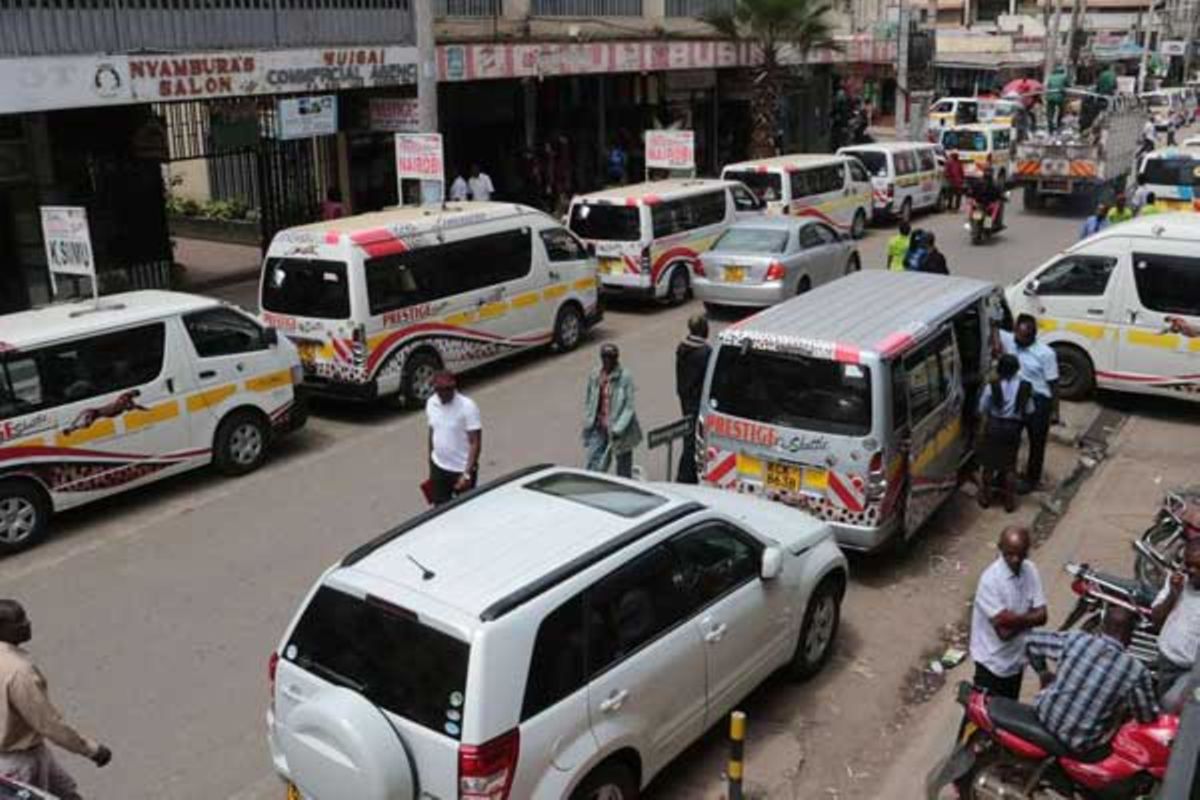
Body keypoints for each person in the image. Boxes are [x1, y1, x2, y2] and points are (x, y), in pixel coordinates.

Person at [0, 601, 111, 798]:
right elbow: (48, 724)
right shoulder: (18, 671)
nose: (27, 624)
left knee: (68, 793)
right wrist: (92, 750)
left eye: (25, 618)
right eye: (18, 622)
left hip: (28, 754)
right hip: (19, 763)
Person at [1025, 606, 1161, 754]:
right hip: (1080, 742)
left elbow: (1031, 641)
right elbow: (1146, 718)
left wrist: (1043, 673)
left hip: (1044, 716)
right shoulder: (1135, 670)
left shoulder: (1076, 639)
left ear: (1102, 626)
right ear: (1130, 635)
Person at [968, 527, 1048, 699]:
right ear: (1000, 548)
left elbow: (1043, 616)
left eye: (1021, 554)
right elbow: (1003, 633)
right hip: (992, 665)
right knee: (981, 718)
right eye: (1010, 554)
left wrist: (1014, 620)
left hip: (1016, 662)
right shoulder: (990, 580)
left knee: (1006, 715)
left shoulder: (1030, 570)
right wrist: (1030, 617)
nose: (1016, 560)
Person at [997, 314, 1059, 494]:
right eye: (1018, 336)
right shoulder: (1010, 341)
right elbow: (995, 332)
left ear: (1033, 336)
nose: (1020, 341)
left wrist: (1055, 412)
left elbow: (1054, 384)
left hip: (1039, 401)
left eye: (1025, 338)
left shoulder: (1046, 354)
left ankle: (1032, 479)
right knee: (1011, 437)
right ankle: (1006, 474)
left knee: (1036, 442)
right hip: (1017, 398)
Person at [976, 355, 1032, 511]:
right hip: (1013, 428)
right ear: (1017, 369)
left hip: (994, 426)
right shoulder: (1025, 386)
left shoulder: (992, 386)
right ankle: (1009, 501)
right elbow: (1029, 409)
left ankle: (985, 498)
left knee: (988, 465)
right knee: (1009, 466)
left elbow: (982, 408)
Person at [582, 344, 642, 478]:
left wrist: (618, 429)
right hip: (599, 426)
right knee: (594, 462)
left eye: (611, 358)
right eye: (605, 358)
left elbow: (629, 407)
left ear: (616, 359)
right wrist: (588, 419)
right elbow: (589, 398)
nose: (607, 361)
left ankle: (626, 490)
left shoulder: (625, 377)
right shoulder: (595, 374)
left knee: (623, 467)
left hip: (620, 431)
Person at [1151, 539, 1200, 696]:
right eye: (1188, 564)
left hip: (1189, 671)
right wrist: (1173, 594)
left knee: (1172, 706)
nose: (1191, 571)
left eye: (1198, 566)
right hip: (1165, 658)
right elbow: (1156, 620)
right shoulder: (1178, 581)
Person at [425, 371, 481, 506]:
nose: (446, 393)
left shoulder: (467, 406)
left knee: (465, 510)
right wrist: (431, 459)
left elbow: (475, 442)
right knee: (439, 511)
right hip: (439, 467)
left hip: (461, 470)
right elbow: (432, 430)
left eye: (449, 389)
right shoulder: (431, 403)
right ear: (435, 389)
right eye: (441, 390)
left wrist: (467, 474)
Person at [675, 315, 710, 484]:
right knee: (693, 439)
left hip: (685, 397)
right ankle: (686, 475)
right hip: (696, 400)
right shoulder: (704, 352)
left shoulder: (682, 348)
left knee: (689, 435)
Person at [1045, 65, 1067, 133]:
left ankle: (1050, 125)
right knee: (1061, 110)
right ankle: (1059, 124)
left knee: (1050, 112)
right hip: (1059, 97)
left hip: (1050, 96)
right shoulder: (1064, 76)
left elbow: (1048, 86)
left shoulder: (1050, 77)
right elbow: (1068, 85)